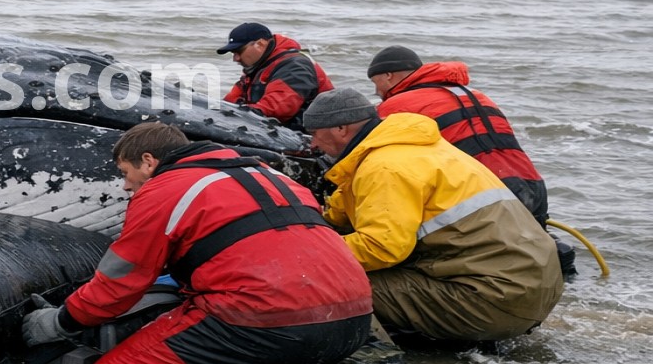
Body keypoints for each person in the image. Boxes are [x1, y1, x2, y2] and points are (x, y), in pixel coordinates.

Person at [21, 122, 372, 364]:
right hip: (351, 324)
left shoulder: (164, 190)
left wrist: (60, 321)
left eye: (126, 174)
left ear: (148, 161)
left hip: (268, 320)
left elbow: (120, 284)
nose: (127, 186)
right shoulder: (272, 176)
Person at [301, 87, 562, 346]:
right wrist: (326, 219)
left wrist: (308, 254)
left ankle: (377, 361)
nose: (312, 144)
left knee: (339, 281)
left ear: (341, 129)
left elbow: (381, 248)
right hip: (533, 290)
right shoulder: (413, 148)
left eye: (314, 133)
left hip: (496, 302)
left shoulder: (384, 167)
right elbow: (353, 200)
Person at [366, 45, 548, 224]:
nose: (376, 91)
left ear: (388, 76)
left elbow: (367, 154)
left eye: (375, 83)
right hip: (533, 187)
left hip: (484, 195)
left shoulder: (397, 105)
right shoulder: (476, 95)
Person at [216, 22, 333, 130]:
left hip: (315, 137)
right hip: (279, 131)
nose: (235, 58)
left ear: (260, 44)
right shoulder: (256, 68)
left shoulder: (294, 66)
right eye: (233, 53)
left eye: (239, 51)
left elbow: (275, 110)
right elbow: (229, 101)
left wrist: (236, 112)